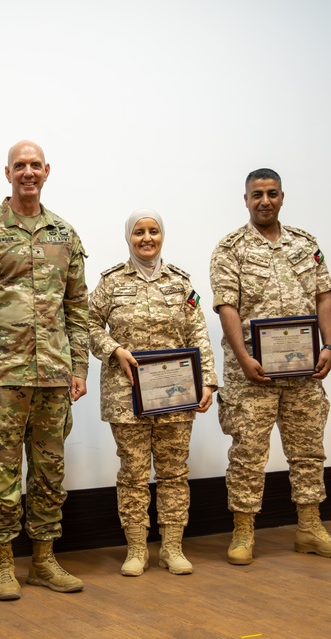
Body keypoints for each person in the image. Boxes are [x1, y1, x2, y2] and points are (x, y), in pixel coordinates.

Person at [0, 140, 88, 601]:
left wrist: (78, 367)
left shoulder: (65, 236)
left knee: (49, 472)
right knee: (2, 473)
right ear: (6, 173)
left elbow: (77, 308)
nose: (27, 172)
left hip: (53, 376)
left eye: (34, 165)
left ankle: (44, 561)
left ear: (47, 171)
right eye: (19, 166)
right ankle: (3, 565)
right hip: (1, 380)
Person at [209, 168, 331, 565]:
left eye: (271, 193)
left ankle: (310, 528)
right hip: (252, 374)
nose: (265, 200)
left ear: (282, 197)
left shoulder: (306, 245)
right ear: (246, 199)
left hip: (304, 372)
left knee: (308, 451)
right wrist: (244, 357)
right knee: (248, 454)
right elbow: (227, 307)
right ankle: (243, 532)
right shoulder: (230, 248)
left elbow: (324, 297)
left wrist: (330, 347)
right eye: (257, 194)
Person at [89, 209, 218, 576]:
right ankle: (136, 549)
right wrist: (114, 349)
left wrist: (208, 380)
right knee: (132, 472)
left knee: (174, 471)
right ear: (128, 237)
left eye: (154, 231)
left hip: (176, 394)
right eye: (139, 233)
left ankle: (172, 548)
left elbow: (198, 333)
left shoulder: (180, 283)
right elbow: (87, 324)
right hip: (126, 395)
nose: (147, 238)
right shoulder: (111, 283)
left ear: (162, 236)